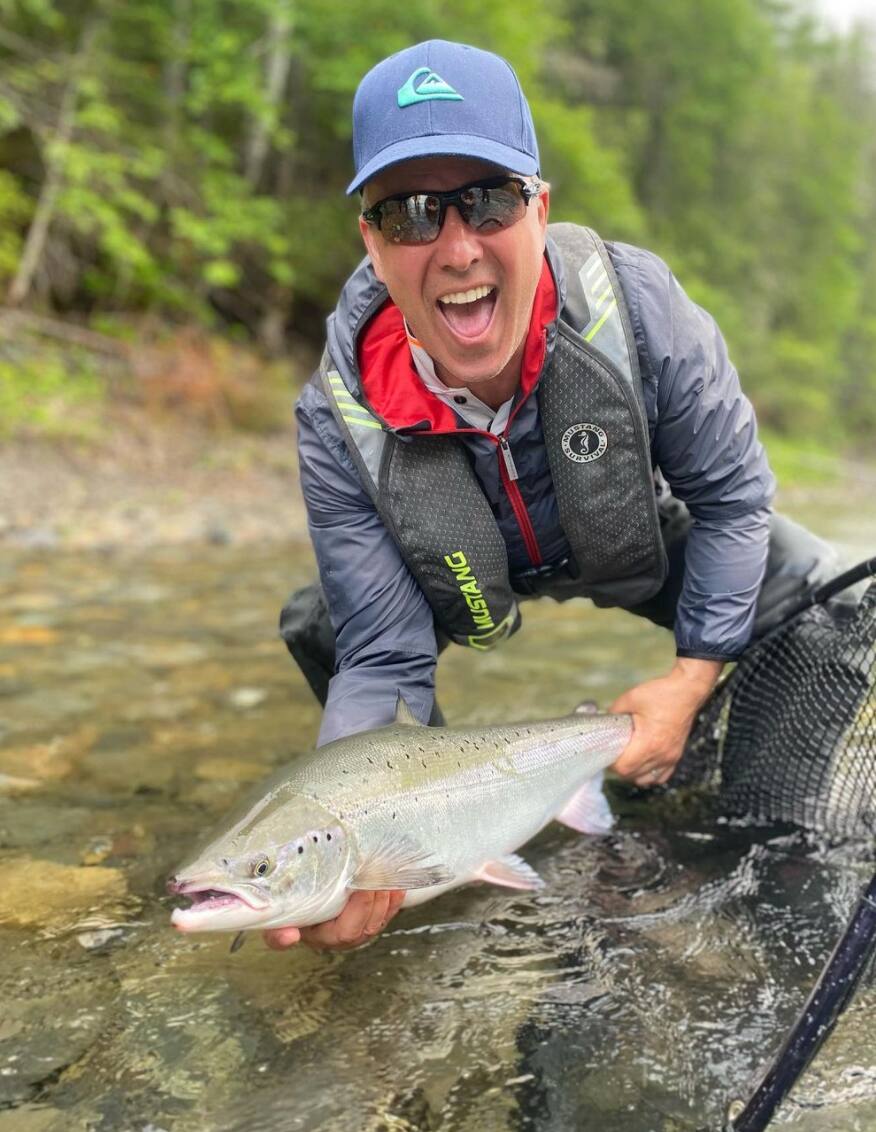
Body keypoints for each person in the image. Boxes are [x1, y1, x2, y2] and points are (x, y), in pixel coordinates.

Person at [265, 40, 840, 953]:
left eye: (487, 200)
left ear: (538, 208)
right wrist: (359, 829)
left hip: (628, 537)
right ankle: (441, 848)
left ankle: (770, 850)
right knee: (323, 627)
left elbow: (735, 502)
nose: (456, 249)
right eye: (411, 214)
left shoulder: (643, 313)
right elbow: (379, 658)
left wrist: (691, 679)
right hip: (452, 567)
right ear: (371, 242)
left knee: (827, 592)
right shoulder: (336, 414)